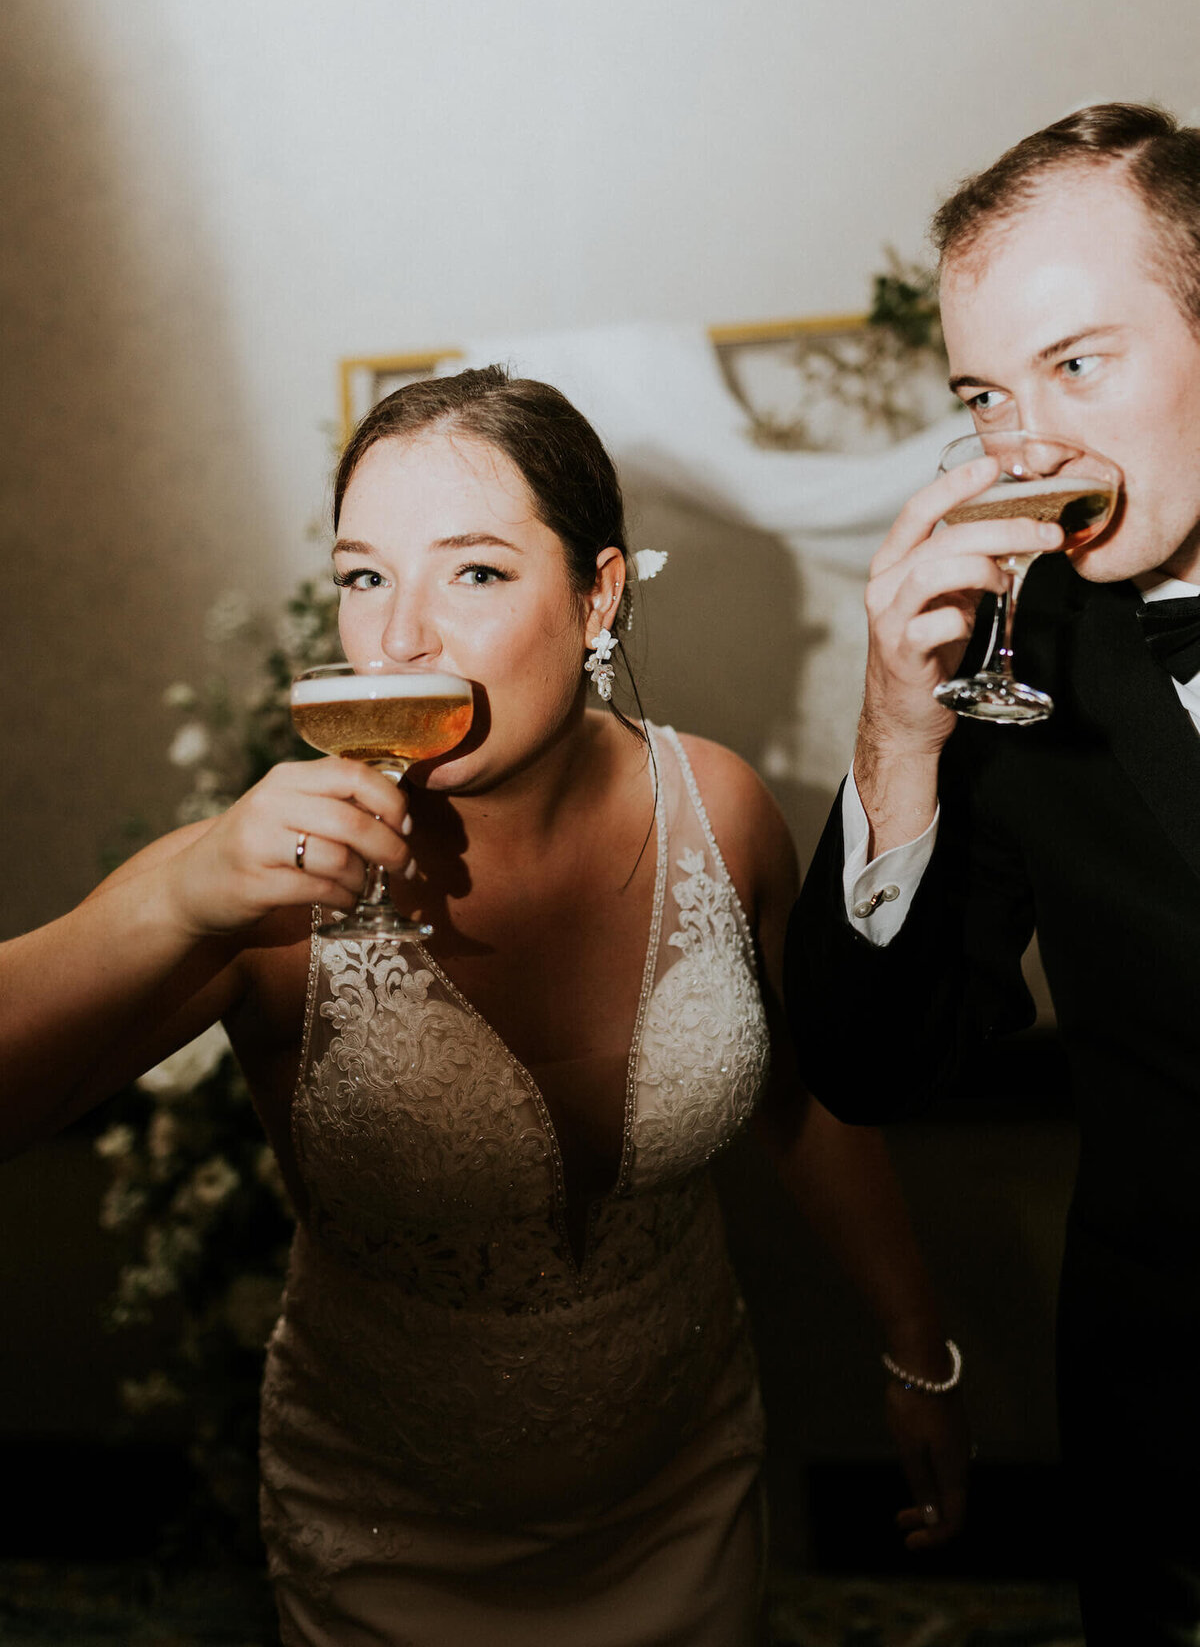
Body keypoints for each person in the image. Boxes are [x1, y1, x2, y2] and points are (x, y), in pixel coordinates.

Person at [2, 367, 966, 1644]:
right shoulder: (273, 882)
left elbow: (804, 1101)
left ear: (598, 596)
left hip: (685, 1492)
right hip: (390, 1544)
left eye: (474, 574)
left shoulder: (719, 812)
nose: (399, 640)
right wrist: (182, 893)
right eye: (362, 577)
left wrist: (915, 1343)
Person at [786, 102, 1200, 1645]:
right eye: (985, 394)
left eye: (1079, 363)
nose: (1029, 448)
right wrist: (898, 730)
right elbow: (868, 1064)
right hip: (1180, 1447)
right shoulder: (1019, 660)